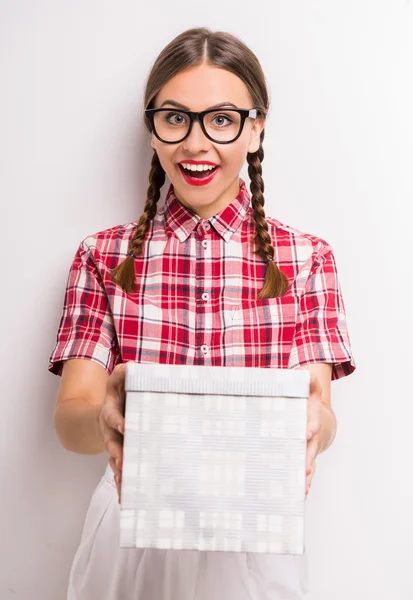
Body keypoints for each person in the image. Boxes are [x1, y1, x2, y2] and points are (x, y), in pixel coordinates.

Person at [48, 26, 356, 600]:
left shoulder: (307, 259)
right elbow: (71, 419)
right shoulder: (104, 257)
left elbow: (322, 415)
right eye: (175, 117)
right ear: (152, 127)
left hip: (255, 538)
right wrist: (108, 421)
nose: (196, 143)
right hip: (130, 533)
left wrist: (317, 426)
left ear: (256, 127)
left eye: (221, 119)